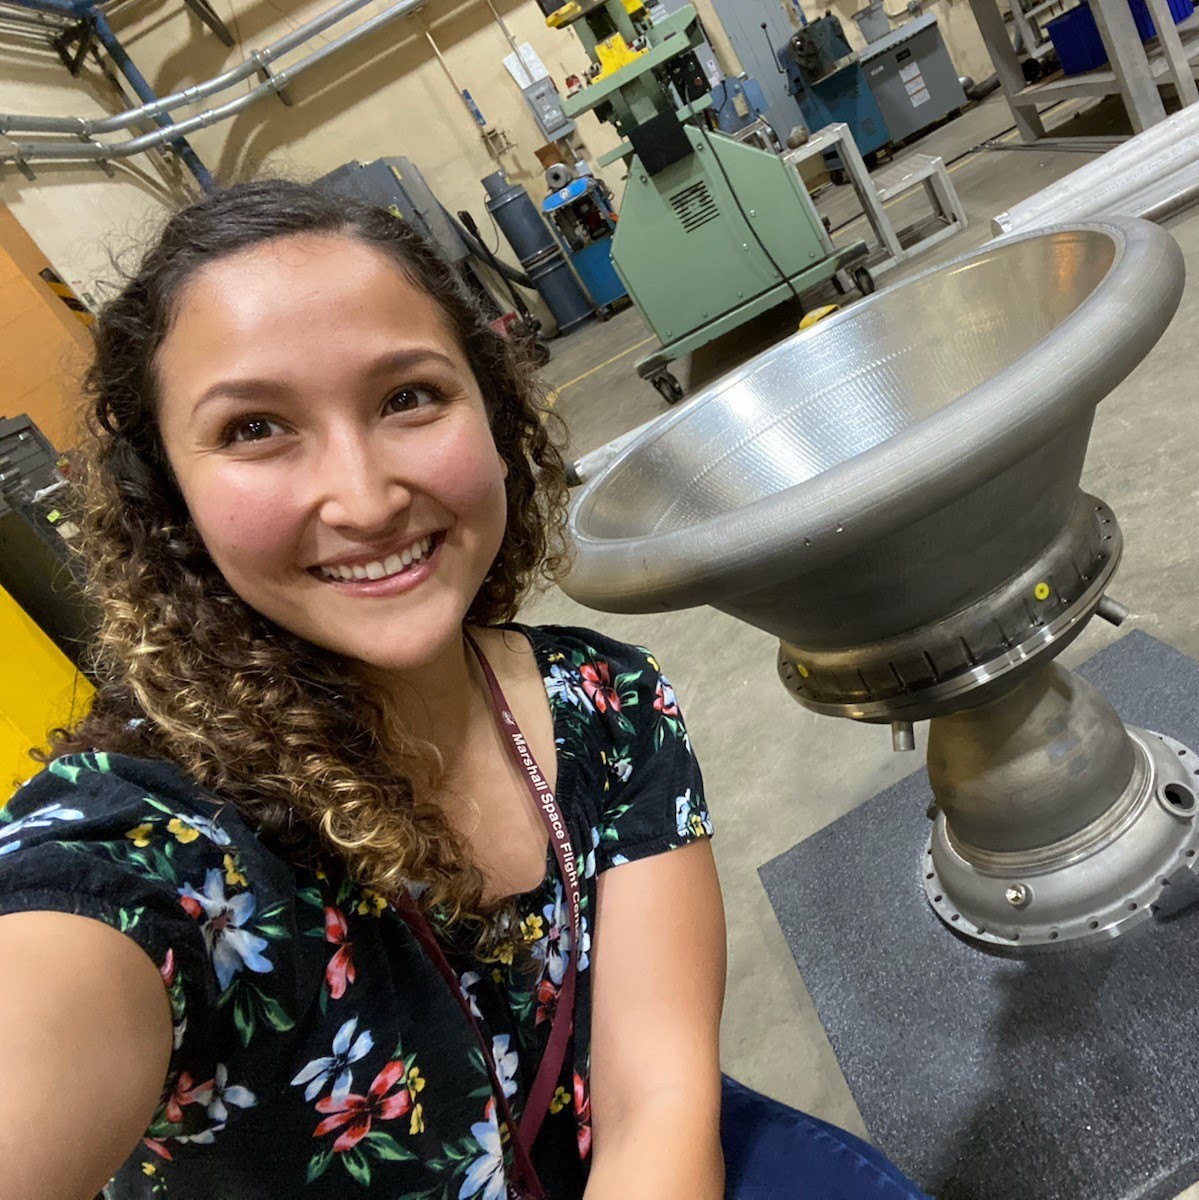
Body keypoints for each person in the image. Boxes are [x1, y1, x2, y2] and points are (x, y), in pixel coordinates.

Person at [0, 180, 930, 1200]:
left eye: (407, 397)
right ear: (169, 497)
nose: (362, 499)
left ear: (493, 415)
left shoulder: (603, 703)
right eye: (256, 427)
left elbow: (655, 1103)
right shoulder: (141, 846)